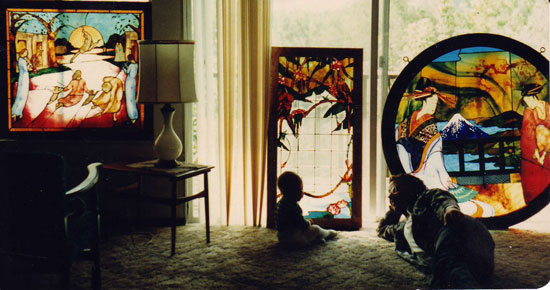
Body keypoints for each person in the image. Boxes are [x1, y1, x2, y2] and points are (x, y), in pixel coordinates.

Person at [396, 77, 494, 217]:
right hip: (424, 169)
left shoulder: (408, 121)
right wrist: (444, 175)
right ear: (424, 100)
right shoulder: (429, 125)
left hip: (410, 169)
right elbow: (435, 154)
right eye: (432, 102)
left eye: (435, 103)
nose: (434, 106)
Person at [377, 173, 495, 289]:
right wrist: (394, 207)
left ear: (411, 190)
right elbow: (382, 229)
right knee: (446, 271)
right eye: (389, 193)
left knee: (447, 266)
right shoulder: (402, 229)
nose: (389, 196)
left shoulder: (427, 199)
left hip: (464, 235)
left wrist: (450, 210)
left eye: (395, 190)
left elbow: (442, 200)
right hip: (472, 267)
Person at [275, 171, 337, 247]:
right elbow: (302, 224)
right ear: (293, 192)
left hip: (282, 239)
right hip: (295, 239)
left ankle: (314, 240)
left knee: (307, 234)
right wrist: (308, 222)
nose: (302, 193)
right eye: (300, 190)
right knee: (316, 229)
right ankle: (328, 233)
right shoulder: (293, 206)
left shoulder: (280, 204)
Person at [519, 83, 550, 204]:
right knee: (533, 185)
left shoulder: (548, 108)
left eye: (526, 100)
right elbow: (527, 136)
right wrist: (536, 153)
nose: (526, 104)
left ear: (533, 97)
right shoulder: (529, 112)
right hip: (533, 155)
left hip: (547, 150)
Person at [11, 48, 33, 121]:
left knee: (23, 96)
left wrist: (28, 63)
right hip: (23, 78)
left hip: (25, 78)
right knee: (21, 95)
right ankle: (14, 112)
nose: (27, 54)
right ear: (23, 53)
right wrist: (29, 63)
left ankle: (19, 112)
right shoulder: (21, 60)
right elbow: (26, 69)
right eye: (26, 52)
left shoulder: (22, 60)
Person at [123, 54, 139, 123]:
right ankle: (135, 115)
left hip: (129, 81)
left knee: (129, 99)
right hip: (133, 81)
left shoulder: (131, 65)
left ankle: (132, 116)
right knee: (132, 98)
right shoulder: (136, 65)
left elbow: (127, 72)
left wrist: (124, 68)